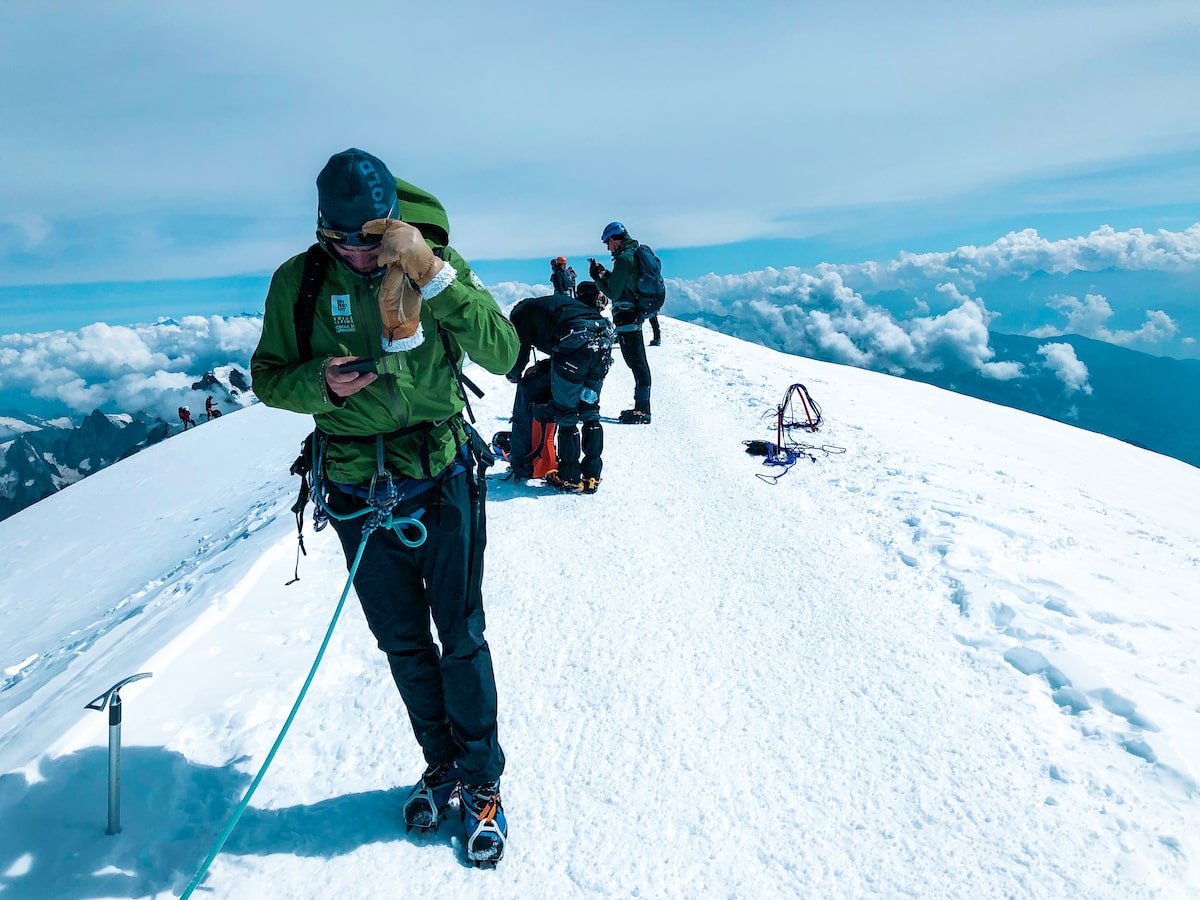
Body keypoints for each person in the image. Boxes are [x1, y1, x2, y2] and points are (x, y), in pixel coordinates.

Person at [250, 148, 518, 864]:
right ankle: (442, 763)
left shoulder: (432, 266)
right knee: (403, 643)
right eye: (350, 244)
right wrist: (321, 384)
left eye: (378, 239)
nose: (367, 258)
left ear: (394, 223)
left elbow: (503, 351)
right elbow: (267, 377)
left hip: (442, 475)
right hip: (355, 490)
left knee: (460, 636)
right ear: (323, 234)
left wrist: (435, 277)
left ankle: (482, 779)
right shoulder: (299, 284)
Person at [506, 281, 614, 493]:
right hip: (602, 342)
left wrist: (514, 374)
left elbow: (521, 351)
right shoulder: (556, 307)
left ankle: (569, 476)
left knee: (566, 413)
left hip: (575, 343)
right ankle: (592, 474)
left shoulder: (520, 316)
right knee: (590, 410)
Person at [589, 222, 652, 424]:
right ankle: (642, 408)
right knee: (638, 362)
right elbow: (621, 282)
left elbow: (613, 292)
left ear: (615, 239)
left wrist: (598, 279)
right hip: (634, 313)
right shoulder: (631, 254)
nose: (608, 248)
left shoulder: (624, 259)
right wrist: (605, 274)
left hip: (627, 315)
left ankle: (643, 411)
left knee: (636, 362)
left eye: (608, 243)